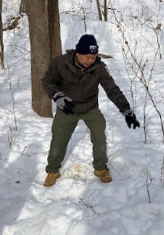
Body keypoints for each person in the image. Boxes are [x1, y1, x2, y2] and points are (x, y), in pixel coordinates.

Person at [42, 34, 140, 187]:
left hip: (90, 107)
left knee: (99, 134)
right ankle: (53, 170)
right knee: (58, 140)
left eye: (93, 56)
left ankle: (101, 168)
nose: (91, 60)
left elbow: (112, 89)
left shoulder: (98, 67)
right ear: (78, 53)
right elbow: (47, 82)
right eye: (87, 56)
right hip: (67, 108)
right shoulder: (60, 63)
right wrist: (58, 96)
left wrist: (126, 110)